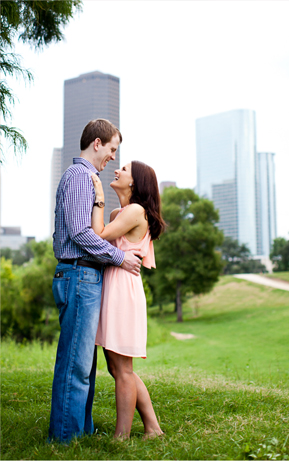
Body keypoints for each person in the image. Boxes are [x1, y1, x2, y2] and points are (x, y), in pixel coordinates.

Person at [50, 119, 143, 443]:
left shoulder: (86, 179)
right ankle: (65, 439)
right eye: (113, 149)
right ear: (98, 143)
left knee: (83, 363)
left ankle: (81, 431)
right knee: (76, 364)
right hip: (78, 274)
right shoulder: (80, 177)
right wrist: (120, 257)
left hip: (82, 275)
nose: (113, 158)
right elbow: (80, 231)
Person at [90, 160, 165, 440]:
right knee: (116, 366)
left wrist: (98, 195)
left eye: (124, 169)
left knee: (122, 368)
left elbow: (98, 236)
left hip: (123, 290)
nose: (117, 170)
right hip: (114, 285)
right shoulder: (119, 212)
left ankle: (121, 437)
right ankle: (153, 428)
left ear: (134, 182)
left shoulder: (135, 211)